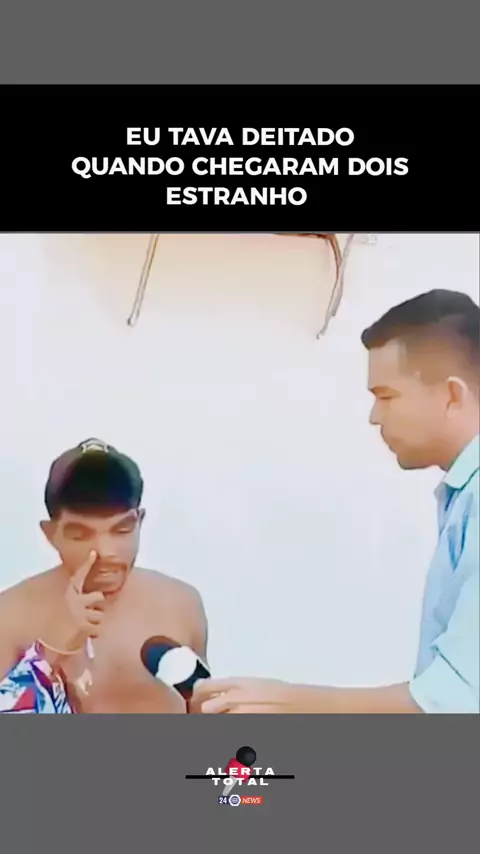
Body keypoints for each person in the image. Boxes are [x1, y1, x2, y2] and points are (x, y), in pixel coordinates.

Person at [191, 289, 479, 714]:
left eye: (386, 395)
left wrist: (285, 703)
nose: (374, 416)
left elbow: (457, 699)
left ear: (451, 396)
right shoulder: (462, 495)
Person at [0, 438, 208, 713]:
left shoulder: (181, 604)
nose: (105, 552)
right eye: (80, 535)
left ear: (140, 522)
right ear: (50, 534)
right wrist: (54, 649)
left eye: (121, 530)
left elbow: (204, 709)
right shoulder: (9, 615)